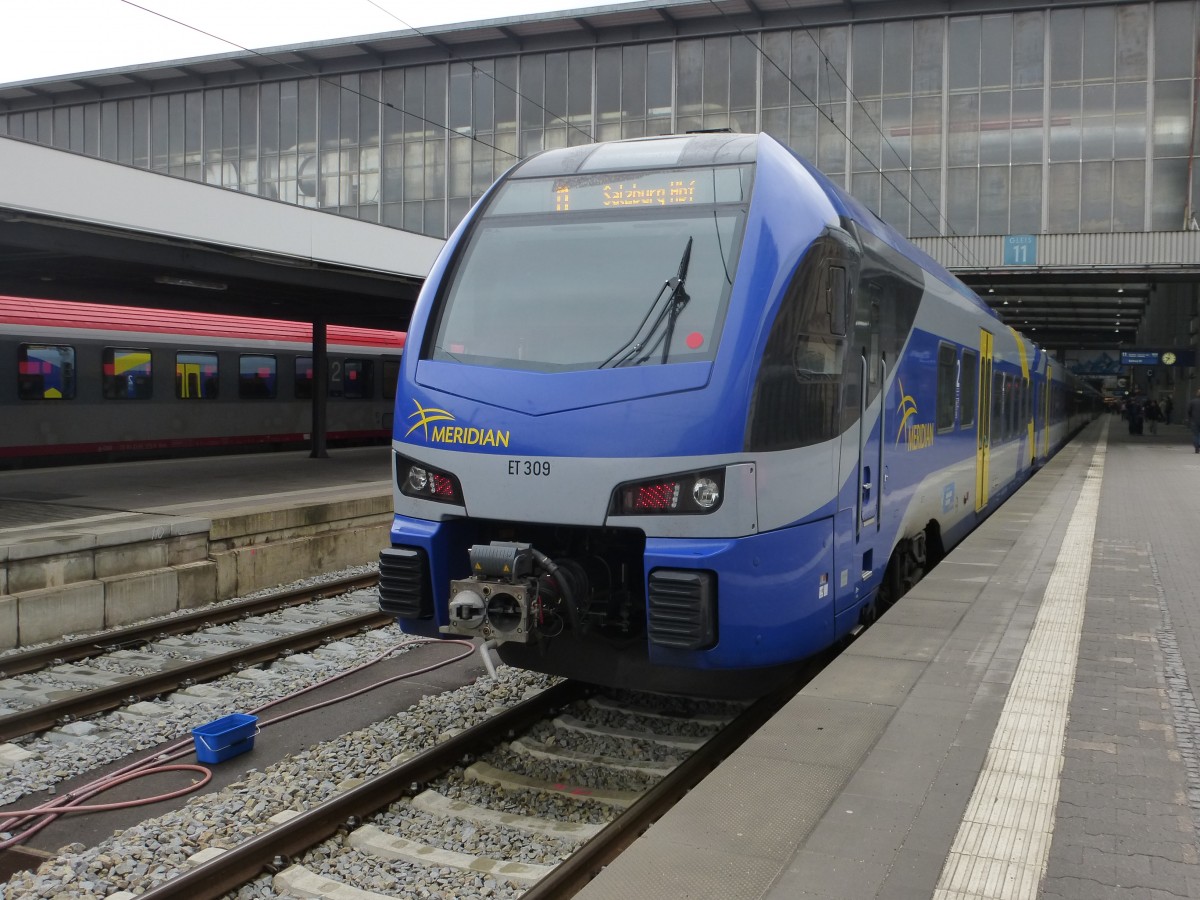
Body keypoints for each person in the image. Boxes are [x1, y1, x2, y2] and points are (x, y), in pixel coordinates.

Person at [1189, 389, 1200, 454]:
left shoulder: (1192, 402)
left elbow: (1189, 411)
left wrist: (1191, 417)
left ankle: (1197, 447)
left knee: (1196, 434)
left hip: (1195, 420)